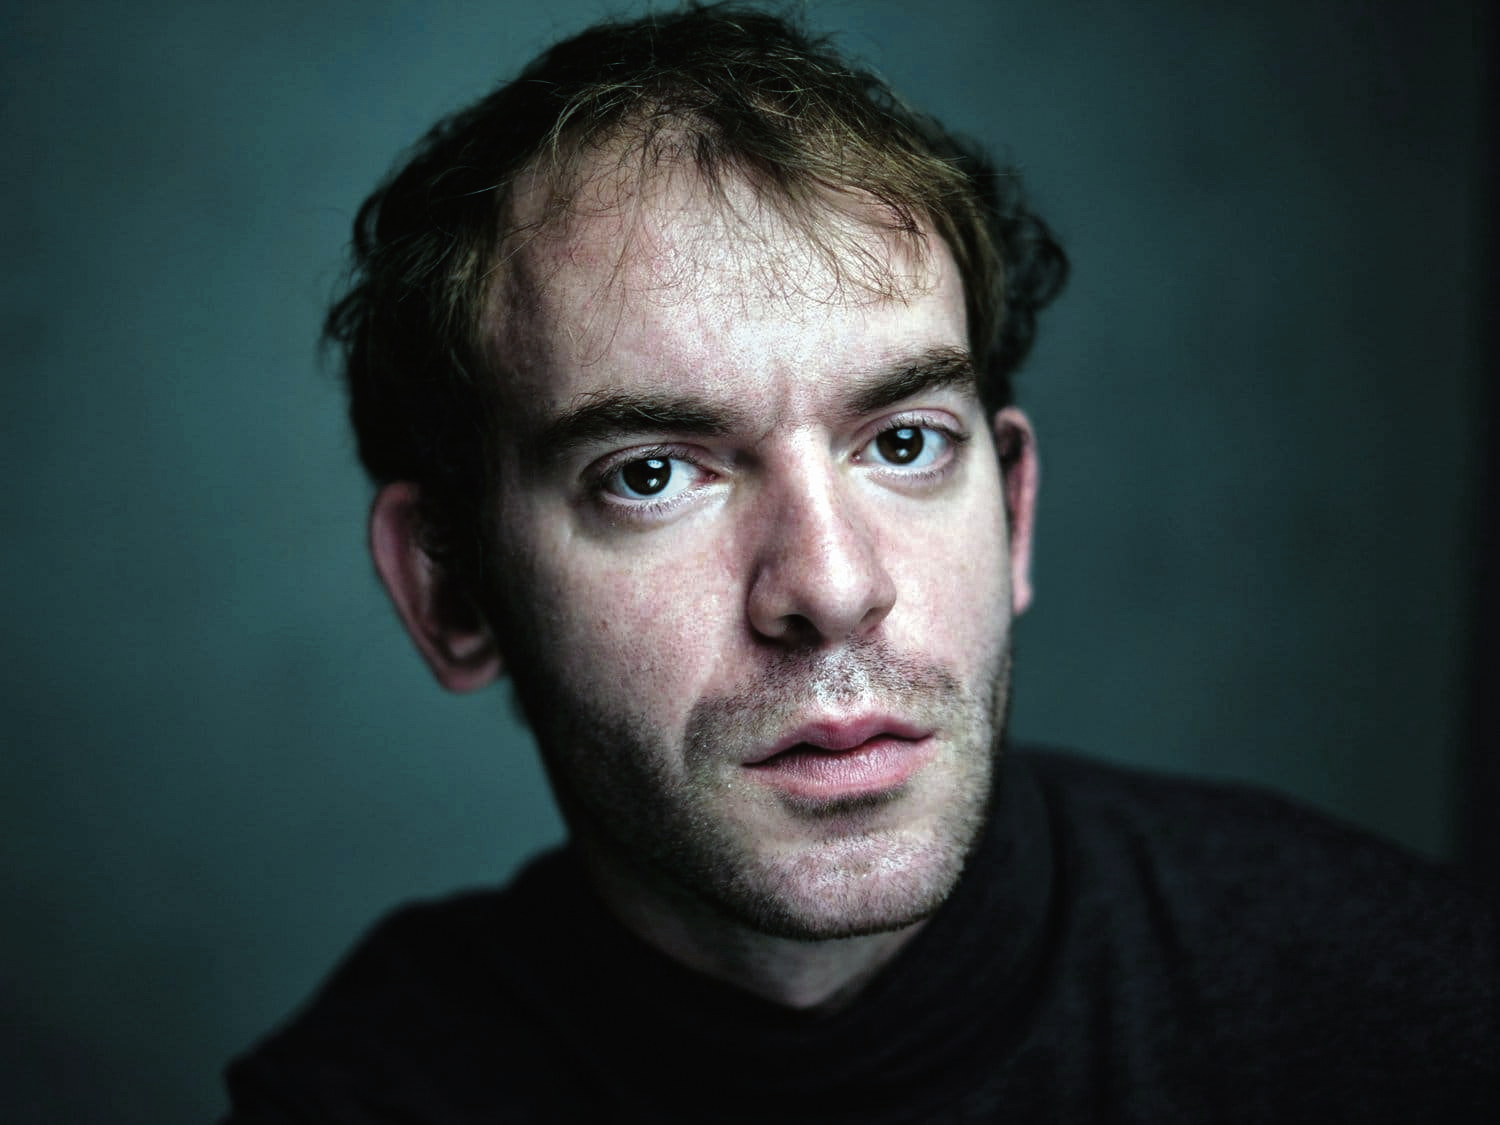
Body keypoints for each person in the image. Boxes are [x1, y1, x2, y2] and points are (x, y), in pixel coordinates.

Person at [223, 5, 1495, 1121]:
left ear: (1015, 514)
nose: (832, 590)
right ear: (448, 589)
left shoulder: (1404, 1012)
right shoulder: (368, 1094)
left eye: (902, 442)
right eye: (651, 473)